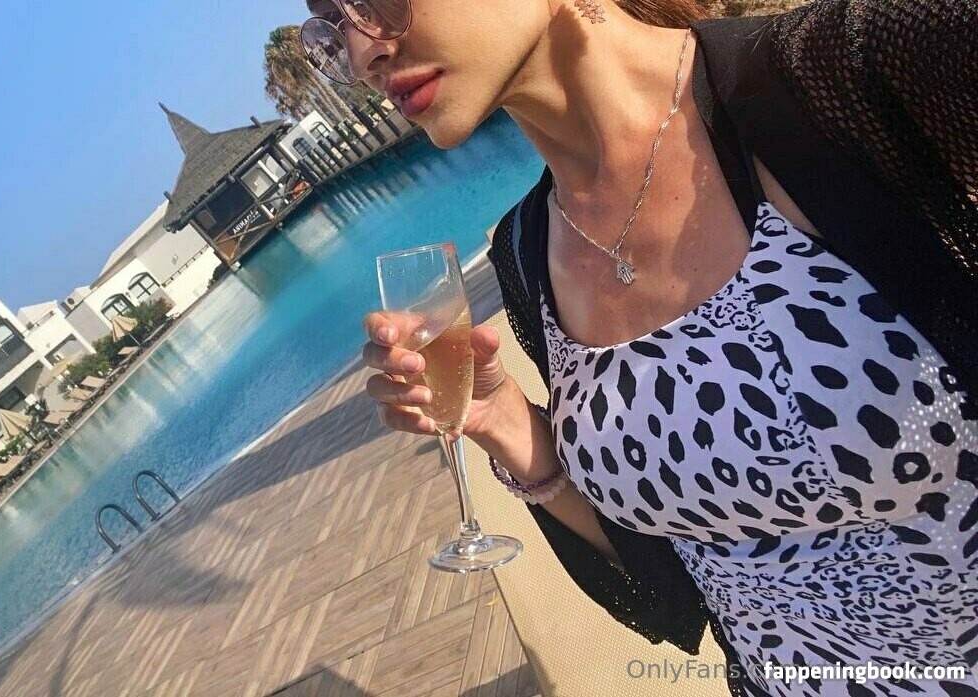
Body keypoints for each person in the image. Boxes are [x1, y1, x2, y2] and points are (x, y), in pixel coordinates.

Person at [300, 0, 978, 694]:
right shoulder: (527, 251)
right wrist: (502, 419)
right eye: (329, 26)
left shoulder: (855, 75)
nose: (361, 52)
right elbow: (677, 580)